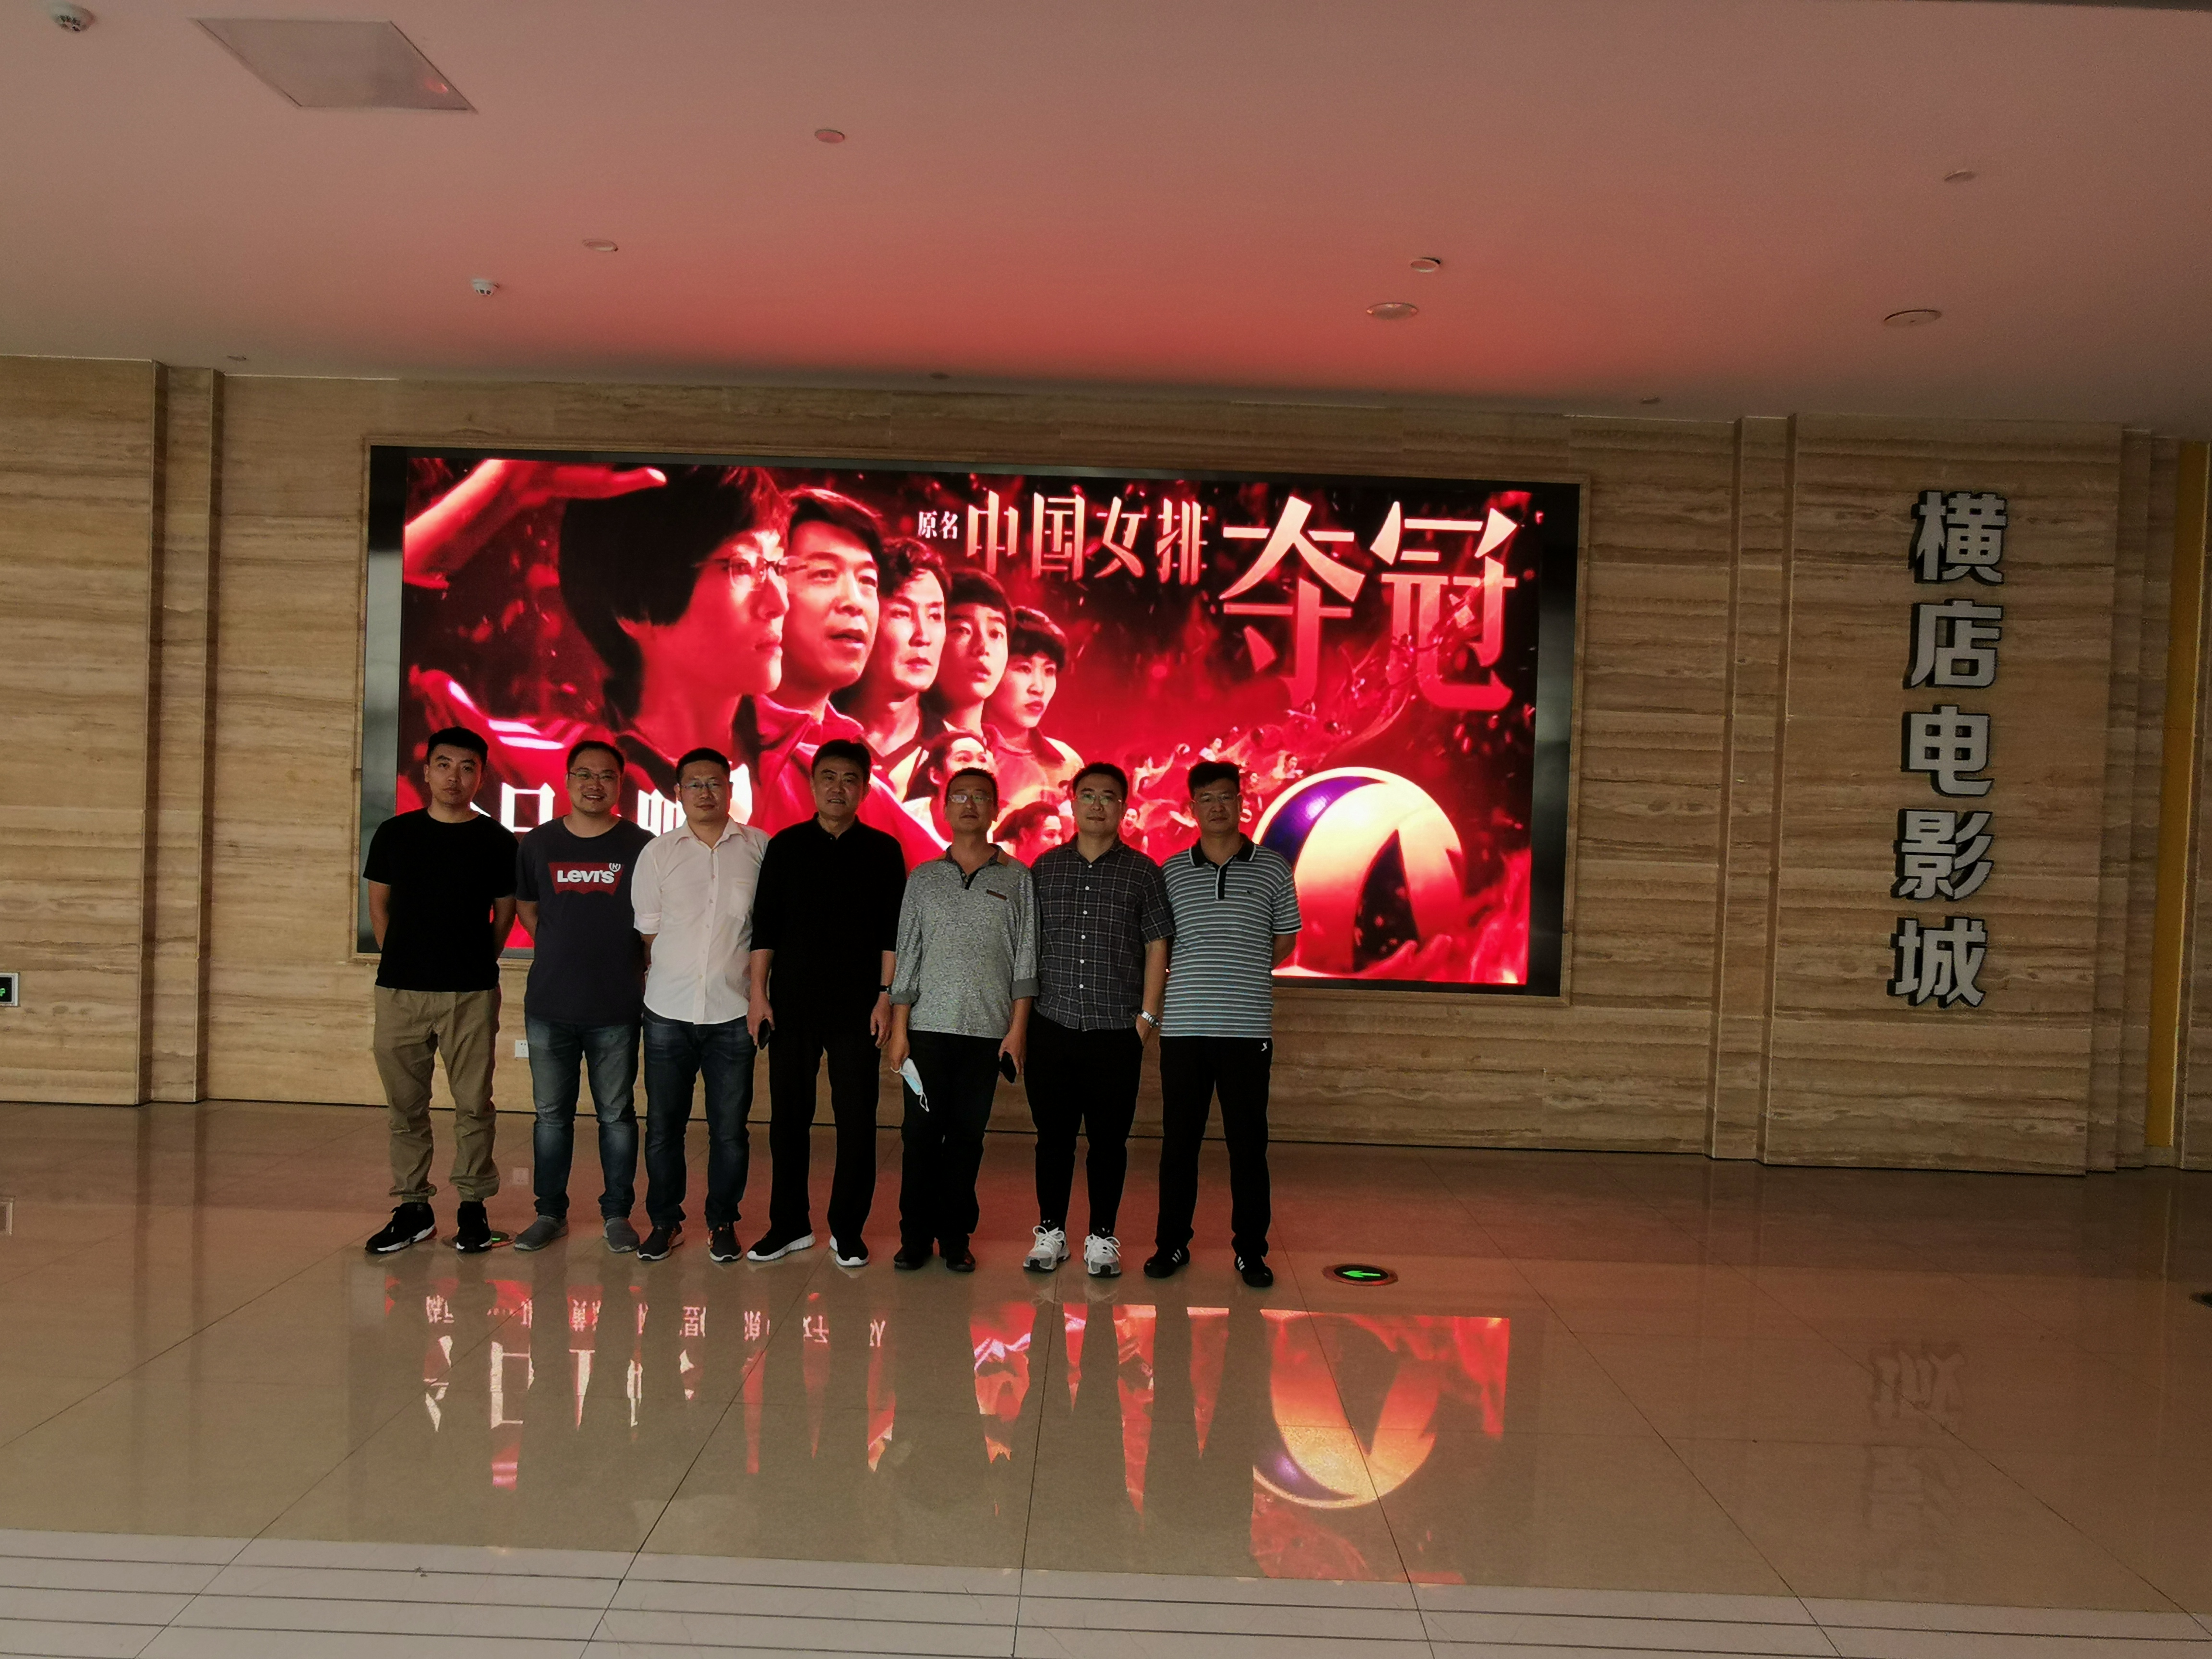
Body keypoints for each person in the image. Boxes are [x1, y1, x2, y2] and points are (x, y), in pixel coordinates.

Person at [746, 738, 907, 1267]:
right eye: (829, 777)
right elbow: (765, 928)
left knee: (856, 1120)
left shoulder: (883, 851)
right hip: (791, 1004)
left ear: (865, 788)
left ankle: (847, 1230)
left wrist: (885, 998)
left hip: (859, 1008)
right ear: (813, 784)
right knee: (788, 1119)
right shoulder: (786, 846)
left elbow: (892, 934)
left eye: (850, 779)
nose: (839, 788)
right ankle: (789, 1225)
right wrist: (758, 995)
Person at [362, 726, 519, 1255]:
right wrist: (406, 961)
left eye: (468, 767)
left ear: (482, 776)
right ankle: (413, 1208)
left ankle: (473, 1207)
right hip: (400, 993)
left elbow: (503, 916)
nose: (455, 777)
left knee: (474, 1105)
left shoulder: (498, 841)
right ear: (426, 771)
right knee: (405, 1106)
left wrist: (474, 962)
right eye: (445, 765)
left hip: (470, 993)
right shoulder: (394, 834)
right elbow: (379, 908)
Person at [1147, 760, 1302, 1290]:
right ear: (1192, 808)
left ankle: (1251, 1252)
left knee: (1248, 1146)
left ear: (1241, 802)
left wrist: (1241, 967)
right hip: (1184, 1030)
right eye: (1206, 798)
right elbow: (1160, 946)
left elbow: (1284, 940)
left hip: (1246, 1030)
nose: (1217, 807)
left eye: (1226, 797)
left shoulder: (1273, 868)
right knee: (1179, 1145)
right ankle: (1171, 1244)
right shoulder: (1171, 871)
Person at [558, 465, 789, 803]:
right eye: (742, 566)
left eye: (779, 567)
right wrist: (502, 486)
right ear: (637, 607)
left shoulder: (823, 777)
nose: (780, 603)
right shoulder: (552, 772)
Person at [1021, 763, 1172, 1280]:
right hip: (1052, 1024)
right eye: (1087, 795)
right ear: (1072, 802)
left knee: (1109, 1142)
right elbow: (1028, 947)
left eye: (1108, 796)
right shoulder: (1045, 869)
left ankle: (1102, 1237)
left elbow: (1157, 945)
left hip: (1116, 1031)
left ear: (1124, 807)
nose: (1097, 805)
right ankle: (1051, 1232)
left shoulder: (1143, 872)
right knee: (1053, 1138)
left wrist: (1146, 1018)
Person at [885, 767, 1038, 1273]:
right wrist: (900, 1030)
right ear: (945, 807)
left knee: (967, 1139)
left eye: (980, 797)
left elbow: (1025, 961)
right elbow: (908, 955)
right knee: (920, 1138)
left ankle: (955, 1238)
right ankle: (914, 1237)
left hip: (987, 1033)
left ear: (995, 809)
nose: (970, 805)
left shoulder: (1017, 878)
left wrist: (1017, 1030)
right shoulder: (924, 878)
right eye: (960, 797)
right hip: (926, 1031)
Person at [511, 740, 656, 1254]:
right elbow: (529, 910)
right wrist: (563, 951)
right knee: (551, 1116)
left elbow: (651, 924)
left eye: (607, 776)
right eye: (584, 774)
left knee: (616, 1116)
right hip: (550, 1005)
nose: (595, 784)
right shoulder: (538, 843)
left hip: (616, 1006)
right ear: (568, 781)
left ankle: (617, 1214)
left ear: (621, 784)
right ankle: (550, 1213)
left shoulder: (643, 845)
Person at [631, 746, 770, 1263]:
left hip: (733, 1012)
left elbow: (765, 932)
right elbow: (649, 934)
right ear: (678, 793)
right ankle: (665, 1222)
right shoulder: (658, 853)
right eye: (695, 784)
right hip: (667, 1012)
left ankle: (722, 1222)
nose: (705, 793)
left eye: (715, 783)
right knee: (663, 1127)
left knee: (729, 1130)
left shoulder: (760, 849)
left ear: (730, 790)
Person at [835, 537, 948, 798]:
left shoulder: (959, 753)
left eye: (935, 616)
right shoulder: (815, 737)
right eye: (902, 614)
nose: (923, 636)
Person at [986, 607, 1082, 809]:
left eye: (1049, 671)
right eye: (1024, 669)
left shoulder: (1068, 764)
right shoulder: (963, 755)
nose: (1039, 688)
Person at [923, 570, 1012, 738]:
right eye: (962, 630)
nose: (982, 647)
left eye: (995, 634)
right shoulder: (907, 748)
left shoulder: (1013, 757)